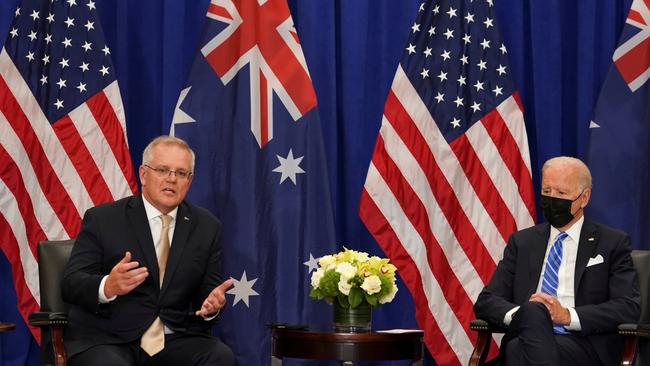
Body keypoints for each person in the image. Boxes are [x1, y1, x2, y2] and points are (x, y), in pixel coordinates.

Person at [62, 136, 234, 366]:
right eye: (163, 170)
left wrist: (212, 306)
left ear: (189, 181)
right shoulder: (103, 219)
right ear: (144, 174)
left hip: (172, 338)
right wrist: (108, 286)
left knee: (219, 356)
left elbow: (208, 294)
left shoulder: (206, 227)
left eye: (181, 173)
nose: (171, 179)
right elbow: (71, 284)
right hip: (109, 338)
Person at [474, 156, 640, 366]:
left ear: (584, 198)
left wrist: (567, 316)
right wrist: (528, 316)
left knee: (517, 350)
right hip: (526, 334)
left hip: (583, 345)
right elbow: (487, 301)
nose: (552, 199)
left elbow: (627, 306)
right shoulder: (523, 242)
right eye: (546, 192)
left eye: (561, 193)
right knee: (532, 316)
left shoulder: (612, 243)